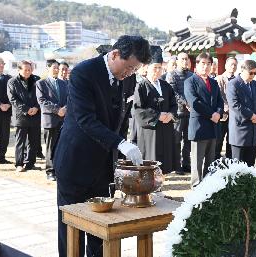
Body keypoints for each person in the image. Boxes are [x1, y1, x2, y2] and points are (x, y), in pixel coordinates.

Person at [53, 35, 151, 257]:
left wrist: (124, 148)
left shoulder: (129, 79)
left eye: (134, 69)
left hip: (104, 166)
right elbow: (86, 119)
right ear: (115, 54)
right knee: (72, 229)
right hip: (75, 161)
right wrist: (121, 143)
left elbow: (122, 118)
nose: (129, 73)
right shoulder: (83, 73)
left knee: (101, 230)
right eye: (128, 67)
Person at [133, 47, 177, 174]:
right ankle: (150, 190)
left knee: (164, 163)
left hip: (166, 128)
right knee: (151, 162)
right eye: (154, 68)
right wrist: (158, 115)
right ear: (147, 68)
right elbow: (138, 110)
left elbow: (174, 104)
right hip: (150, 131)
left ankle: (160, 189)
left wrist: (171, 115)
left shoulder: (166, 86)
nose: (157, 71)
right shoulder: (141, 86)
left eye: (159, 68)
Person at [184, 52, 224, 187]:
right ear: (197, 65)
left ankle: (208, 186)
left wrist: (218, 112)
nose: (206, 67)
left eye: (208, 64)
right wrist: (212, 114)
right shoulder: (190, 81)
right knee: (197, 161)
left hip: (213, 126)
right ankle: (196, 187)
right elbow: (194, 102)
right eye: (203, 64)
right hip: (199, 126)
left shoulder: (213, 82)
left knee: (210, 160)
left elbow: (220, 100)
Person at [36, 59, 68, 181]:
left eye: (58, 67)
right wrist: (57, 110)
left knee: (62, 145)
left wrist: (65, 109)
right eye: (54, 67)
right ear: (48, 68)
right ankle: (50, 170)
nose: (57, 69)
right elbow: (42, 101)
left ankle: (60, 169)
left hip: (63, 119)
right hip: (50, 119)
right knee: (50, 146)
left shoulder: (63, 83)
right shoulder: (41, 83)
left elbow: (69, 98)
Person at [227, 60, 256, 167]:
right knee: (238, 165)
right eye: (251, 73)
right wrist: (251, 115)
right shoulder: (233, 84)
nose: (253, 75)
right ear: (242, 70)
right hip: (239, 130)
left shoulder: (255, 84)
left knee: (250, 165)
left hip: (253, 129)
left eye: (255, 73)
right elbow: (234, 104)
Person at [7, 60, 41, 172]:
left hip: (35, 115)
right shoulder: (12, 82)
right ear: (19, 70)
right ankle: (19, 164)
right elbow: (13, 99)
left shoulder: (36, 80)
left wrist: (36, 107)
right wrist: (27, 110)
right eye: (25, 70)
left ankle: (30, 163)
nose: (28, 72)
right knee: (20, 141)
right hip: (21, 116)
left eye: (29, 70)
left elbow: (41, 95)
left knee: (33, 141)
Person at [165, 52, 193, 175]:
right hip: (177, 112)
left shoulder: (192, 75)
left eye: (186, 59)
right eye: (182, 59)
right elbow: (173, 92)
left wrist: (192, 103)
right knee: (176, 140)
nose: (185, 61)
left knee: (188, 140)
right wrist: (186, 102)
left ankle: (186, 164)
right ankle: (176, 165)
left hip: (190, 113)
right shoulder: (171, 75)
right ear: (177, 60)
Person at [215, 56, 238, 159]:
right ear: (226, 66)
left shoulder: (238, 80)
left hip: (234, 116)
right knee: (219, 139)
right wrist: (228, 108)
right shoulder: (219, 79)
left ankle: (230, 158)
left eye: (235, 65)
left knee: (232, 139)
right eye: (231, 64)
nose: (233, 67)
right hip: (222, 114)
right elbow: (217, 96)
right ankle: (215, 158)